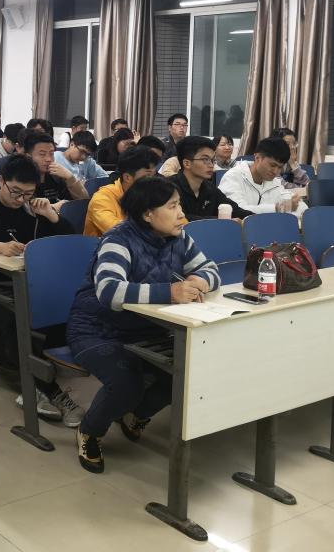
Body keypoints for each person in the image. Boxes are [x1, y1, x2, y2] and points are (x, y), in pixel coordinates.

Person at [67, 177, 219, 473]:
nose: (181, 214)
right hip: (97, 329)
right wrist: (170, 292)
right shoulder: (118, 240)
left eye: (179, 205)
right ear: (148, 213)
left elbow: (211, 269)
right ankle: (90, 431)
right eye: (172, 206)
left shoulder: (179, 237)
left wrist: (199, 280)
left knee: (183, 373)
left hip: (149, 327)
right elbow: (109, 290)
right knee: (127, 382)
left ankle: (134, 415)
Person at [0, 154, 83, 425]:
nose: (20, 199)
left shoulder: (32, 209)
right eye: (15, 191)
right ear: (1, 181)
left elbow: (70, 240)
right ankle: (43, 389)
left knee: (60, 313)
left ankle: (37, 374)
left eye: (28, 193)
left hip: (23, 286)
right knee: (17, 320)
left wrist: (52, 216)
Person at [168, 136, 252, 222]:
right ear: (187, 163)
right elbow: (178, 218)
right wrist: (221, 220)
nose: (211, 165)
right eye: (205, 159)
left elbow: (236, 210)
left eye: (213, 160)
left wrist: (254, 218)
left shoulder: (210, 188)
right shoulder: (168, 188)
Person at [219, 137, 307, 217]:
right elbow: (237, 211)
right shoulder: (233, 177)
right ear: (258, 157)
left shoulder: (275, 182)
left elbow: (301, 208)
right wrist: (277, 208)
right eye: (272, 165)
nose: (276, 171)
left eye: (280, 167)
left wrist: (294, 205)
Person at [84, 147, 160, 236]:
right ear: (127, 177)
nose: (153, 181)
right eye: (148, 176)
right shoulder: (102, 198)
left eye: (154, 175)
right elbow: (118, 232)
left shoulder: (150, 195)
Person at [24, 131, 88, 204]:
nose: (49, 159)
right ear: (28, 157)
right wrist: (54, 208)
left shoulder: (56, 177)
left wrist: (70, 178)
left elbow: (84, 201)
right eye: (42, 154)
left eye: (51, 154)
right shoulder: (22, 180)